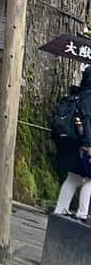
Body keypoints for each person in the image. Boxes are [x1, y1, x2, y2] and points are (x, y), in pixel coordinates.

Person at [52, 66, 91, 221]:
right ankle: (82, 214)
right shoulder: (89, 98)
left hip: (72, 142)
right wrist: (89, 144)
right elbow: (88, 121)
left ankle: (60, 209)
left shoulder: (78, 94)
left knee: (74, 177)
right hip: (84, 143)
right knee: (89, 179)